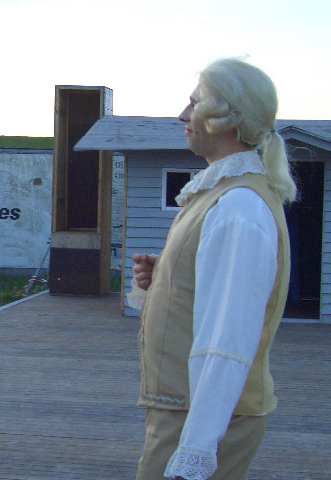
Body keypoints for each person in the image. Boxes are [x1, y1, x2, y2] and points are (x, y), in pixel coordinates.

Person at [131, 58, 296, 480]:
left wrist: (196, 450)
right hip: (191, 406)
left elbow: (229, 336)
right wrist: (164, 279)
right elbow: (212, 303)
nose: (183, 115)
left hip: (207, 413)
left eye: (194, 103)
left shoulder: (239, 205)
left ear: (224, 116)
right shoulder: (221, 191)